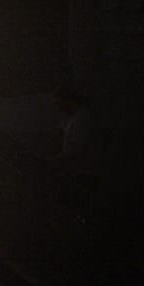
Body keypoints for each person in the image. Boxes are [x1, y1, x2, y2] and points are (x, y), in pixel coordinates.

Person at [50, 85, 103, 221]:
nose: (58, 108)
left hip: (83, 173)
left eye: (59, 103)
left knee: (71, 210)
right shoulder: (73, 119)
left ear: (69, 100)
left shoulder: (82, 119)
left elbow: (75, 150)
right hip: (77, 173)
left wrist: (52, 161)